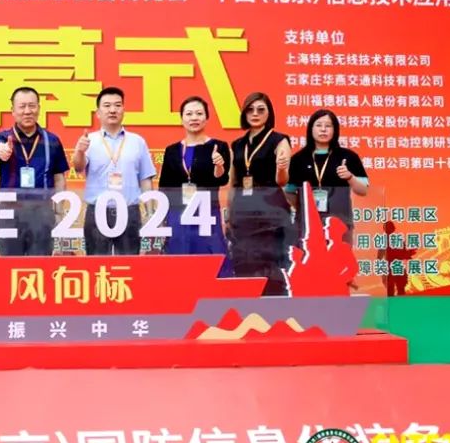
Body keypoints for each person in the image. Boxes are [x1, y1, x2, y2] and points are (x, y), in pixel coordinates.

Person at [72, 87, 156, 256]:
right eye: (107, 105)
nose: (112, 110)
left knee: (129, 263)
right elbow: (78, 167)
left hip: (129, 210)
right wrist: (79, 151)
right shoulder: (89, 141)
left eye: (117, 105)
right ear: (98, 112)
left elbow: (146, 179)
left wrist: (151, 213)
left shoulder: (137, 141)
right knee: (97, 263)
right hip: (97, 211)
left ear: (123, 110)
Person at [226, 92, 292, 295]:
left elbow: (282, 181)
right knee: (244, 259)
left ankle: (275, 305)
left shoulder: (279, 140)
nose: (255, 114)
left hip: (270, 210)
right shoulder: (237, 145)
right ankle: (248, 305)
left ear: (269, 113)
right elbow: (233, 182)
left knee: (270, 261)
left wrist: (281, 168)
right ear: (244, 113)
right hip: (242, 210)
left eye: (261, 110)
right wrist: (228, 214)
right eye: (250, 110)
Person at [158, 96, 233, 276]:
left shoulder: (219, 146)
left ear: (206, 118)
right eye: (189, 114)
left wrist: (219, 166)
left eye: (199, 113)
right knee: (180, 263)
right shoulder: (171, 150)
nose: (194, 118)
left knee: (212, 260)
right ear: (182, 118)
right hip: (178, 214)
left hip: (207, 213)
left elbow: (221, 180)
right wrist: (162, 220)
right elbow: (165, 187)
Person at [0, 87, 70, 256]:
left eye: (32, 106)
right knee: (9, 265)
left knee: (41, 263)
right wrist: (1, 150)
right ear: (13, 110)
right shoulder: (3, 137)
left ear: (39, 108)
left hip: (42, 212)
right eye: (22, 106)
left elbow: (59, 178)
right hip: (9, 212)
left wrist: (58, 212)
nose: (27, 111)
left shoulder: (52, 141)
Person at [286, 108, 369, 244]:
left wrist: (350, 177)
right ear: (311, 129)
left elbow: (363, 190)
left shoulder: (348, 157)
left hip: (340, 223)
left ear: (335, 130)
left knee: (339, 257)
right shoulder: (298, 159)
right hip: (307, 224)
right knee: (309, 257)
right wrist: (306, 206)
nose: (323, 130)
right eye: (319, 125)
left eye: (328, 126)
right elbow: (289, 192)